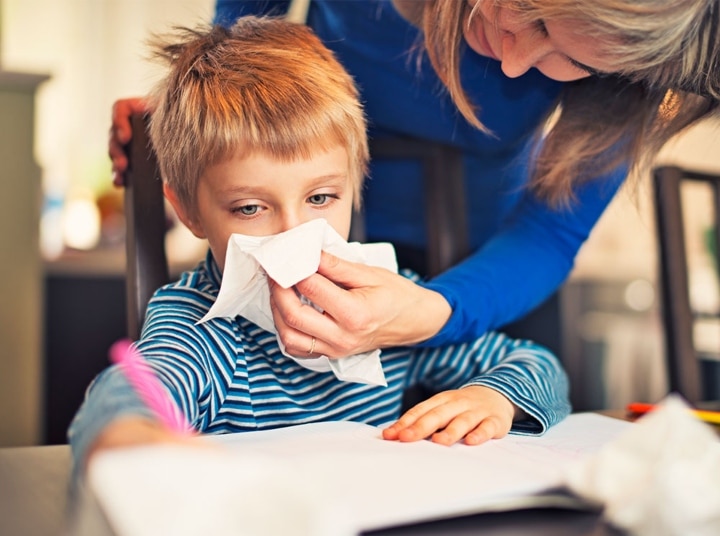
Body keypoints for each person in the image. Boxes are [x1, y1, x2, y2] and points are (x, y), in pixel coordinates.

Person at [69, 15, 570, 470]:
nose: (297, 235)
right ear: (189, 212)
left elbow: (535, 364)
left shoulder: (384, 306)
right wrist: (129, 432)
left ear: (355, 190)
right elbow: (134, 390)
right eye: (250, 207)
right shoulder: (198, 326)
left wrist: (493, 398)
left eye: (321, 197)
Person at [109, 0, 720, 363]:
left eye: (574, 60)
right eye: (530, 9)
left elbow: (550, 237)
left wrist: (439, 312)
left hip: (480, 278)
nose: (510, 61)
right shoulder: (193, 336)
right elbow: (141, 395)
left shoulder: (641, 65)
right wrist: (201, 123)